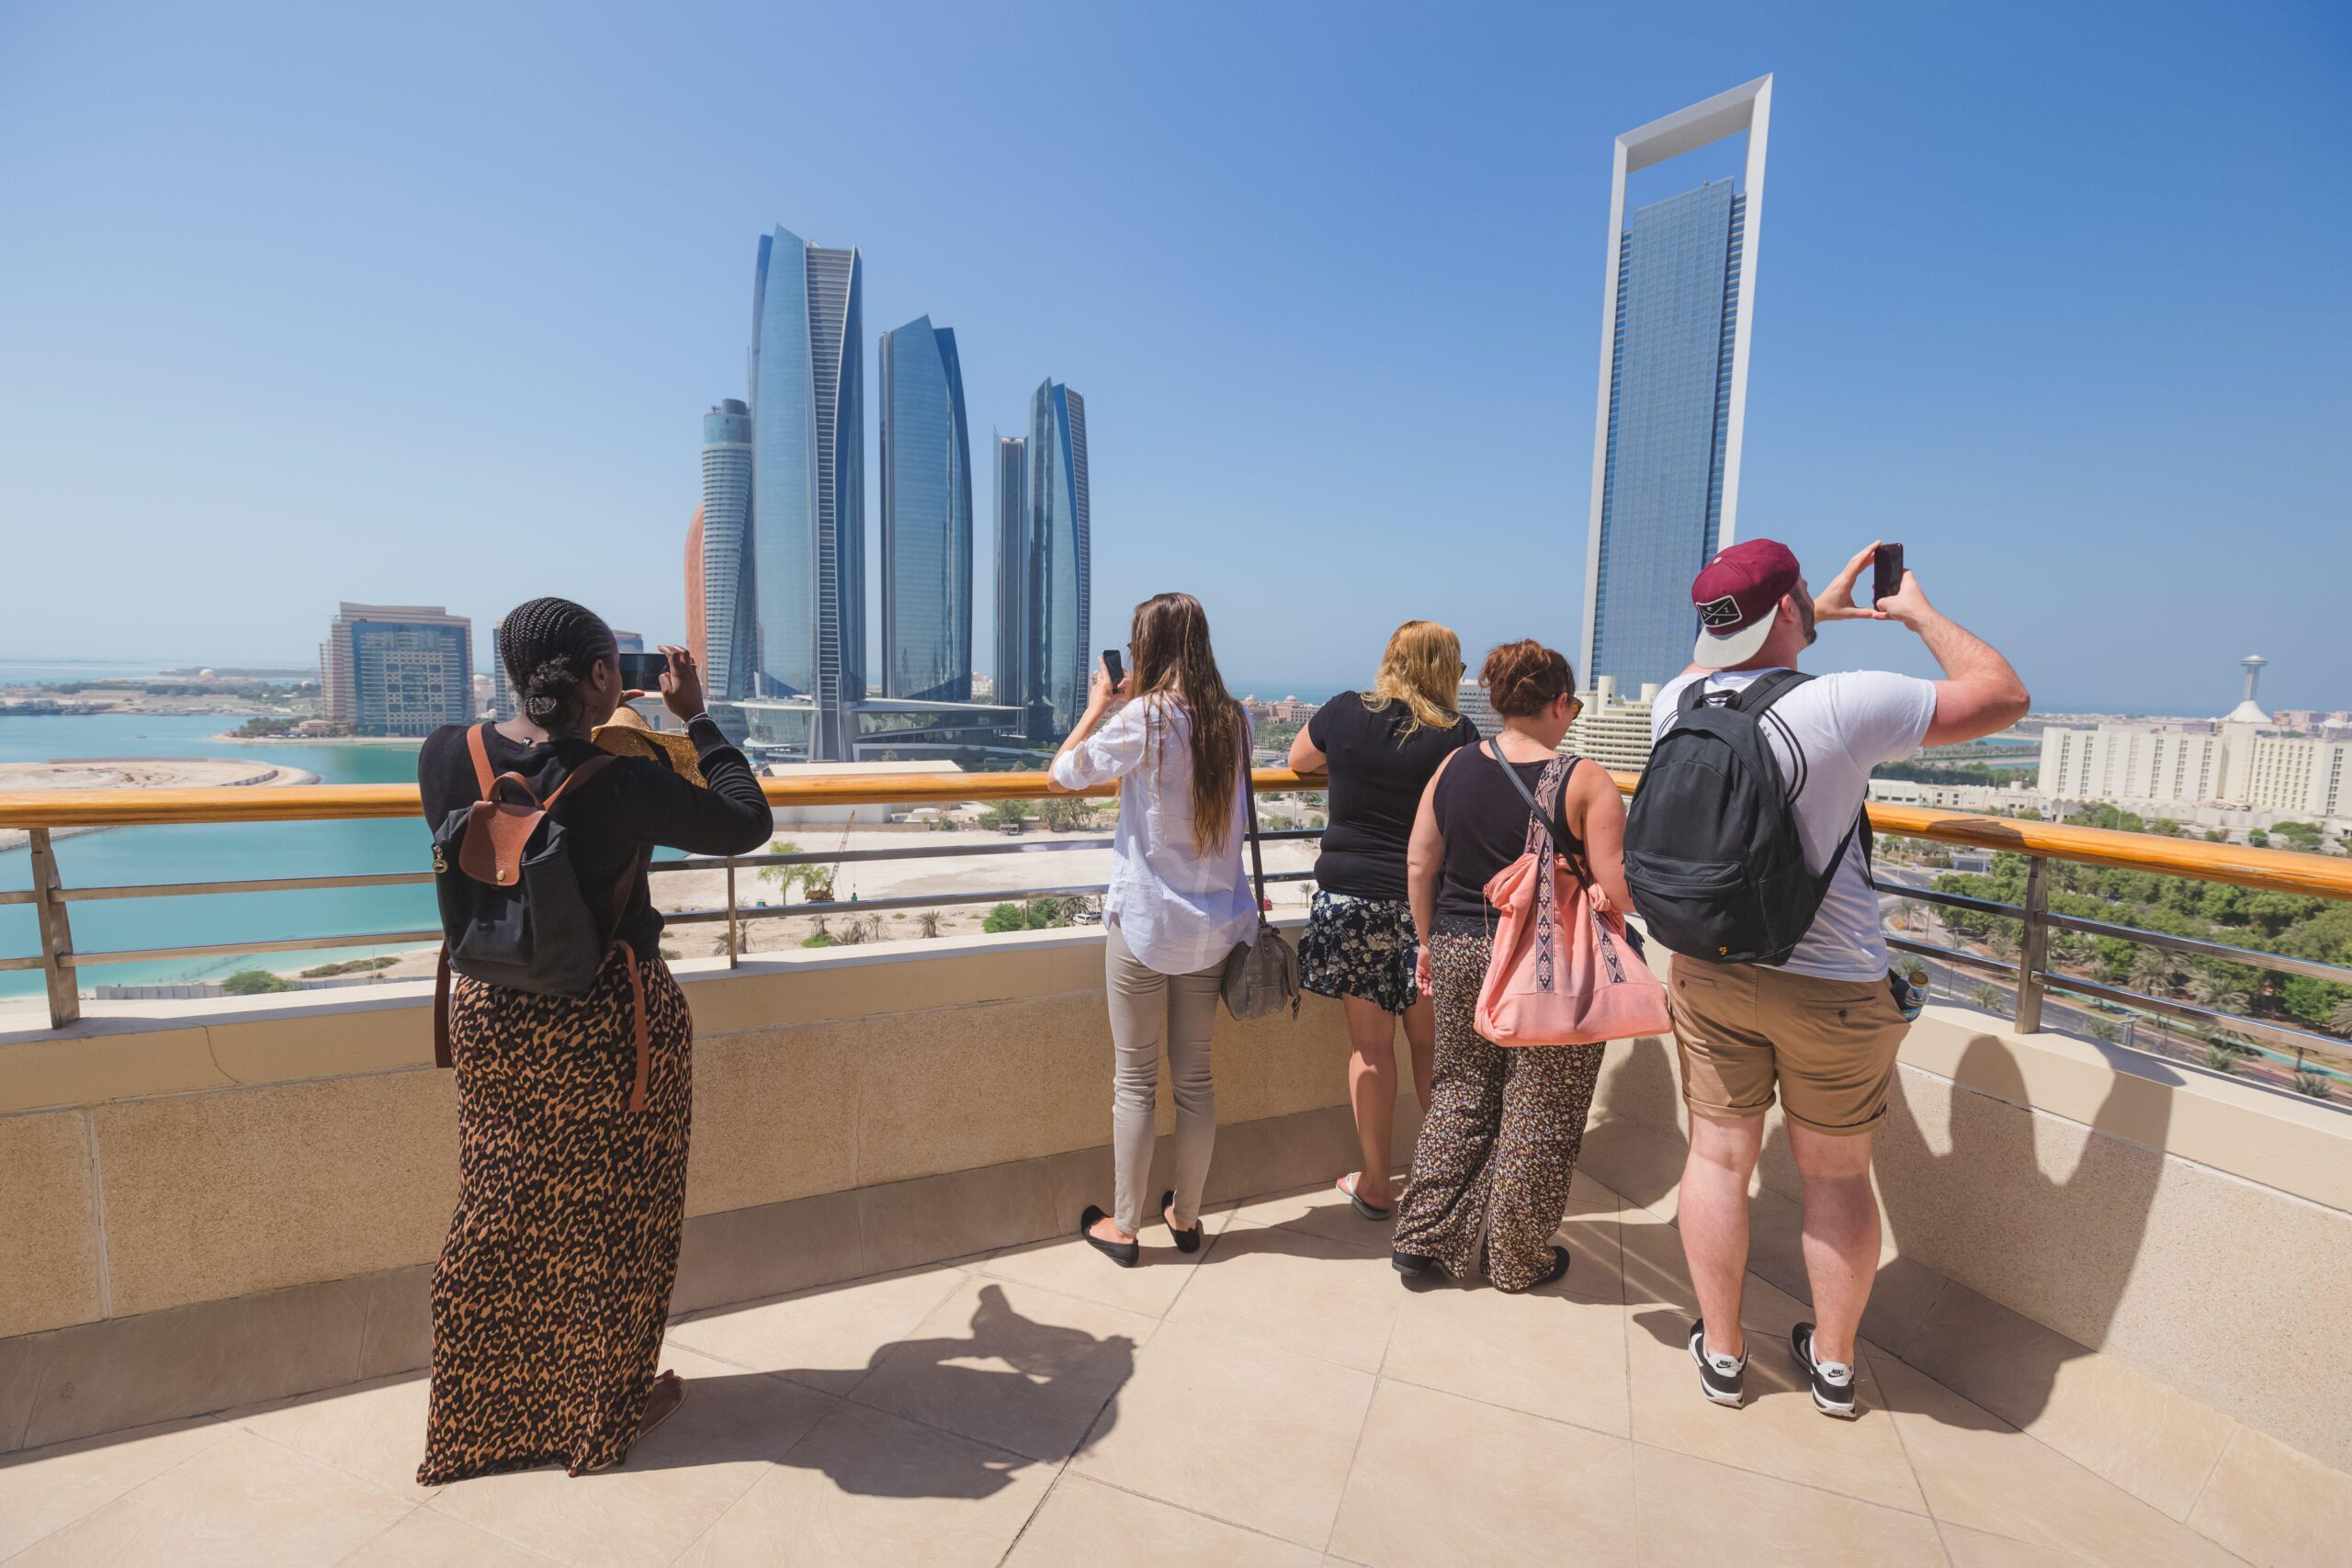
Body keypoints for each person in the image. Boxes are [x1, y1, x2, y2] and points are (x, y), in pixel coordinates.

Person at [1652, 540, 2027, 1417]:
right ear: (1788, 612)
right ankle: (1831, 1363)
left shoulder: (1677, 699)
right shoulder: (1845, 702)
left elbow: (1730, 660)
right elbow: (2004, 696)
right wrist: (1917, 612)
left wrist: (1795, 611)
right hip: (1831, 985)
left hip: (1708, 967)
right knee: (1835, 1178)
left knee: (1715, 1157)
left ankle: (1724, 1349)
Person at [415, 600, 773, 1482]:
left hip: (492, 1016)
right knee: (620, 1218)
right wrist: (695, 718)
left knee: (501, 1207)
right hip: (609, 1022)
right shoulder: (619, 776)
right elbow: (745, 819)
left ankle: (480, 1421)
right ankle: (600, 1414)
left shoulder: (442, 754)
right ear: (605, 678)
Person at [1389, 639, 1635, 1292]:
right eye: (1573, 704)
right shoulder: (1586, 780)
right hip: (1543, 958)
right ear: (1559, 704)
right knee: (1542, 1107)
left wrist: (1425, 941)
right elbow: (1620, 887)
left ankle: (1423, 1240)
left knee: (1462, 1088)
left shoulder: (1453, 767)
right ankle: (1515, 1255)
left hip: (1460, 943)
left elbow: (1419, 863)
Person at [1050, 592, 1256, 1266]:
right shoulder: (1235, 719)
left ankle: (1127, 1225)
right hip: (1213, 927)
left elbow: (1063, 774)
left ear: (1149, 649)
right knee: (1194, 1080)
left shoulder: (1147, 716)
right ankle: (1188, 1215)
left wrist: (1098, 705)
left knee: (1135, 1079)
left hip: (1145, 925)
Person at [1289, 621, 1479, 1219]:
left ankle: (1375, 1182)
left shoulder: (1345, 712)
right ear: (1446, 669)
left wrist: (1348, 773)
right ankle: (1449, 1182)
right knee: (1431, 1046)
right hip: (1427, 910)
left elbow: (1297, 761)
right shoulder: (1458, 734)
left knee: (1371, 1051)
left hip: (1353, 902)